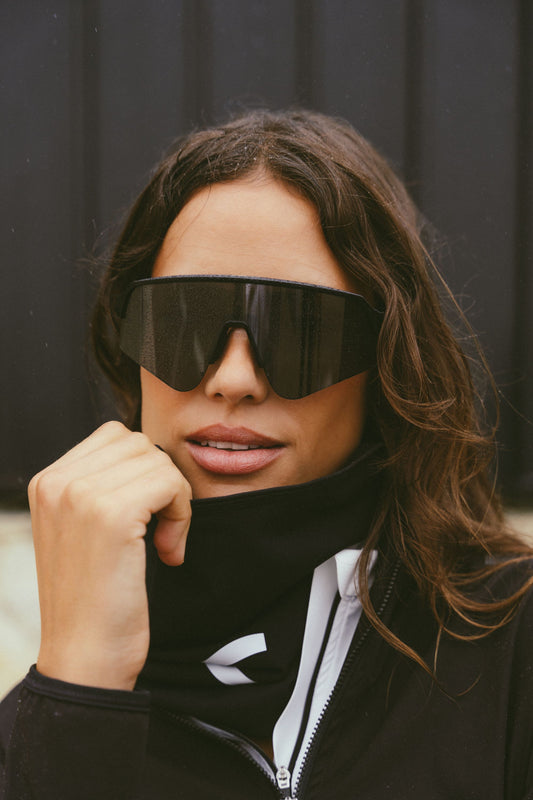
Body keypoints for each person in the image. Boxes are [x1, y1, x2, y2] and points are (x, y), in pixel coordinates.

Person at [0, 109, 532, 800]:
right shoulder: (48, 712)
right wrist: (80, 683)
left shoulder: (507, 643)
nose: (233, 379)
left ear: (387, 358)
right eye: (183, 322)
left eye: (301, 330)